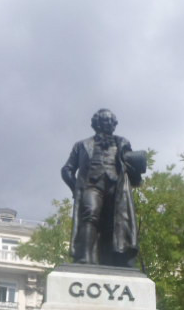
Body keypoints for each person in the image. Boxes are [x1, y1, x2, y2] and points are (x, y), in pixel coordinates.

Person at [61, 108, 146, 267]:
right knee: (90, 214)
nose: (110, 123)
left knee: (114, 223)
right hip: (91, 186)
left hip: (116, 188)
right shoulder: (81, 145)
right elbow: (67, 169)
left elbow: (131, 165)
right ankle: (85, 257)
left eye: (112, 121)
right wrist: (77, 189)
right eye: (106, 120)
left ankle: (115, 259)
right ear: (97, 123)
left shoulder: (122, 142)